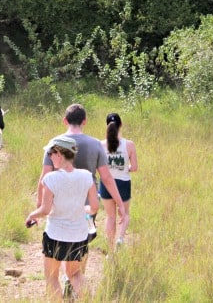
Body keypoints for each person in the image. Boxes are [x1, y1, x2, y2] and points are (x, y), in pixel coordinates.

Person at [26, 137, 99, 302]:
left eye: (51, 153)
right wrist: (79, 210)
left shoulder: (50, 179)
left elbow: (45, 210)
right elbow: (94, 207)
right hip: (79, 235)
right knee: (75, 274)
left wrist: (32, 215)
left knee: (52, 277)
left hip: (55, 235)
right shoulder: (86, 176)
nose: (50, 157)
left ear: (58, 154)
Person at [100, 113, 138, 252]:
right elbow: (134, 167)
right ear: (120, 125)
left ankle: (110, 248)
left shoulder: (101, 145)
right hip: (123, 183)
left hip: (106, 184)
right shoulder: (129, 145)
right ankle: (120, 238)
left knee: (110, 216)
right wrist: (124, 168)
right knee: (125, 214)